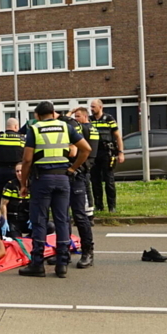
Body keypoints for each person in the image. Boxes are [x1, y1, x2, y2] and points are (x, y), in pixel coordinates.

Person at [18, 101, 90, 279]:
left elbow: (27, 160)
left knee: (40, 220)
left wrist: (23, 184)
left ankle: (37, 264)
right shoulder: (66, 127)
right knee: (62, 220)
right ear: (53, 112)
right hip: (63, 179)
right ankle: (62, 264)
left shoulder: (34, 129)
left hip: (42, 179)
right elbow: (86, 149)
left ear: (37, 115)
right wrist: (72, 169)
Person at [68, 106, 98, 268]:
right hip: (67, 175)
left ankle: (88, 252)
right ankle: (64, 251)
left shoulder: (81, 128)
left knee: (80, 215)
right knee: (63, 216)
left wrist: (73, 168)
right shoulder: (80, 128)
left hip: (78, 174)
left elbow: (76, 151)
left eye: (78, 116)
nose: (75, 118)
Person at [89, 99, 124, 213]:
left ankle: (111, 206)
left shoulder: (109, 119)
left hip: (106, 153)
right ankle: (99, 206)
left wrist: (121, 152)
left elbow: (118, 136)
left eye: (93, 106)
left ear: (100, 107)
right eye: (91, 106)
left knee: (109, 180)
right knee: (95, 181)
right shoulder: (89, 119)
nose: (91, 108)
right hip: (94, 153)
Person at [0, 118, 25, 206]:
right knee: (16, 195)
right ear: (15, 126)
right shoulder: (21, 139)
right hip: (17, 172)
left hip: (1, 171)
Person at [0, 162, 29, 237]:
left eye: (21, 171)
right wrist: (4, 221)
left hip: (28, 219)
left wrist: (35, 218)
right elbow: (3, 204)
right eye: (17, 171)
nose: (19, 173)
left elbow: (38, 203)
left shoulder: (33, 185)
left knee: (50, 226)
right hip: (14, 220)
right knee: (15, 239)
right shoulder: (10, 185)